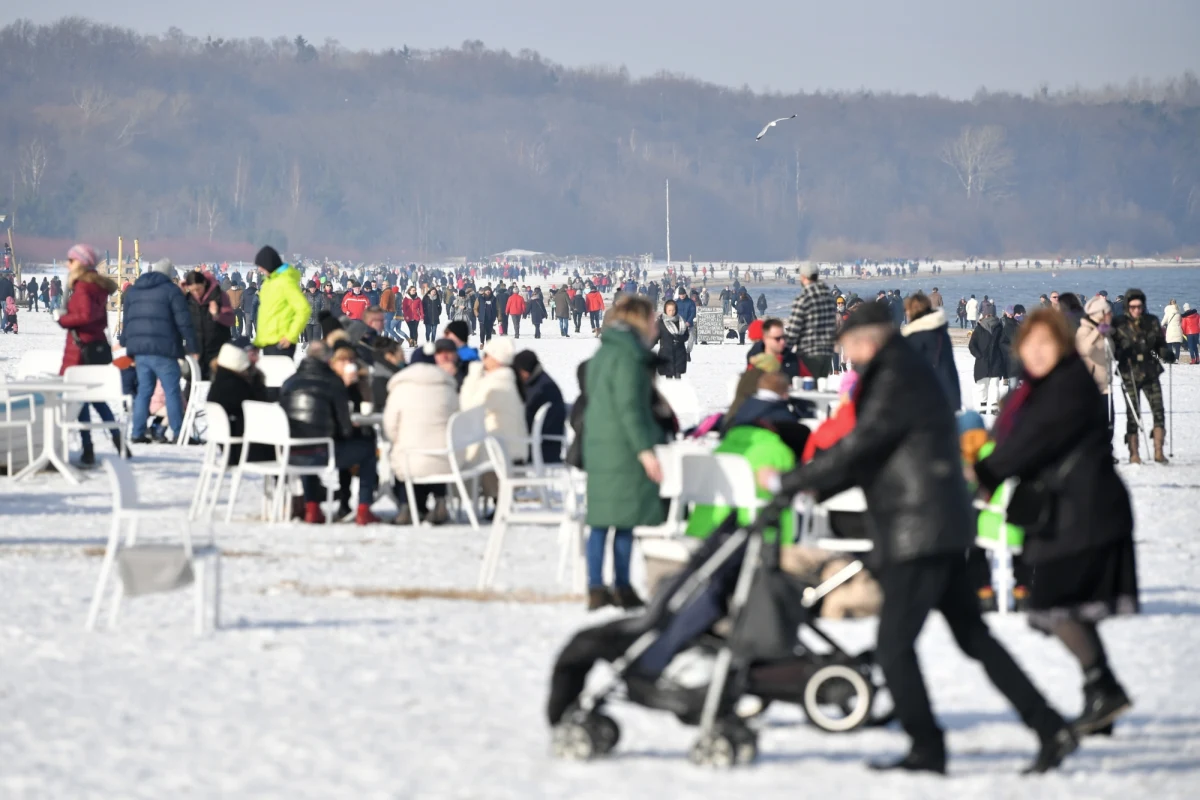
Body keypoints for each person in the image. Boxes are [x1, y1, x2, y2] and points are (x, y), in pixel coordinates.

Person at [760, 301, 1077, 775]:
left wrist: (791, 481)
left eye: (848, 344)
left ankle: (927, 748)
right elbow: (873, 454)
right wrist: (814, 486)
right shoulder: (901, 368)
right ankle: (1050, 725)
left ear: (867, 338)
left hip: (920, 528)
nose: (847, 353)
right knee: (973, 637)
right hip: (935, 522)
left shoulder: (894, 375)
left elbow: (862, 444)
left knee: (893, 646)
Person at [976, 309, 1138, 739]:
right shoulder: (1037, 389)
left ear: (1062, 347)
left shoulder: (1067, 386)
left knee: (1053, 602)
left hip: (1085, 511)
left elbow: (1033, 441)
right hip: (1069, 511)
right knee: (1071, 606)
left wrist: (986, 475)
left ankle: (1102, 689)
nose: (1037, 352)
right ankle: (1102, 694)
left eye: (1047, 344)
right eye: (1030, 345)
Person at [582, 295, 666, 611]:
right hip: (623, 448)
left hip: (600, 445)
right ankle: (622, 585)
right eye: (653, 319)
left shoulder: (605, 351)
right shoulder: (630, 356)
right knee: (625, 519)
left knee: (602, 519)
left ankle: (596, 586)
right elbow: (630, 408)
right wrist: (645, 451)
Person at [279, 343, 380, 525]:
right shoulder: (333, 383)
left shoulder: (289, 382)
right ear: (328, 360)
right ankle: (364, 508)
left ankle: (312, 508)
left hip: (290, 454)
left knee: (306, 444)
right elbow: (345, 429)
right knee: (367, 449)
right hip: (322, 454)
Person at [54, 245, 123, 465]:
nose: (67, 264)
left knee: (80, 400)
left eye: (70, 260)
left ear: (80, 263)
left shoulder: (83, 286)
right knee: (95, 399)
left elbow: (84, 315)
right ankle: (117, 440)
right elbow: (98, 319)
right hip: (94, 346)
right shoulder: (96, 286)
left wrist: (62, 319)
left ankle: (88, 448)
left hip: (80, 350)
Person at [121, 258, 199, 444]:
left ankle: (138, 432)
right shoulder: (171, 291)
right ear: (169, 274)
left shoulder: (134, 291)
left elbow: (128, 320)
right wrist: (193, 347)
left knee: (144, 392)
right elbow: (184, 322)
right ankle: (180, 433)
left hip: (140, 351)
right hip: (165, 350)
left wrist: (126, 342)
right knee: (171, 391)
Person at [383, 339, 460, 524]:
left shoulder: (400, 388)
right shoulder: (448, 388)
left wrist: (397, 440)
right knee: (434, 450)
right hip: (445, 460)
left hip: (410, 460)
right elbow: (457, 421)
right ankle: (440, 501)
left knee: (405, 455)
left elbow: (390, 426)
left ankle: (406, 506)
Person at [1112, 288, 1174, 463]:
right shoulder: (1119, 323)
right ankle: (1134, 453)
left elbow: (1159, 344)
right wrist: (1120, 354)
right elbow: (1112, 347)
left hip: (1150, 371)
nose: (1136, 310)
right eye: (1133, 307)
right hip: (1129, 372)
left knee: (1158, 410)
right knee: (1133, 414)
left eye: (1139, 306)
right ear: (1127, 307)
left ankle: (1158, 451)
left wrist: (1166, 353)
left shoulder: (1152, 321)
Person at [460, 336, 527, 470]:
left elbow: (467, 409)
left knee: (461, 462)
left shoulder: (496, 384)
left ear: (496, 358)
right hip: (508, 448)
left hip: (498, 453)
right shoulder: (508, 380)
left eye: (486, 355)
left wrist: (473, 375)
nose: (483, 359)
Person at [206, 342, 271, 464]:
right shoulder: (238, 386)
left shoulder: (219, 382)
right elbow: (260, 408)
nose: (256, 359)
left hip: (231, 448)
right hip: (244, 449)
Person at [901, 292, 960, 409]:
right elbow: (949, 368)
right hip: (946, 392)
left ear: (913, 310)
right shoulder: (941, 331)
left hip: (923, 398)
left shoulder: (915, 336)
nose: (906, 313)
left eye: (907, 310)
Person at [251, 245, 310, 358]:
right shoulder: (268, 283)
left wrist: (290, 336)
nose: (259, 269)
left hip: (282, 343)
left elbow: (303, 309)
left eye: (261, 265)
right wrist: (258, 343)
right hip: (267, 343)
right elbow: (265, 316)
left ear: (269, 264)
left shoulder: (286, 282)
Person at [512, 350, 567, 465]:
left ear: (524, 371)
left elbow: (526, 421)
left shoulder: (541, 390)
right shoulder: (539, 382)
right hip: (547, 446)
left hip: (542, 448)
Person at [784, 263, 838, 378]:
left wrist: (783, 351)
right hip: (827, 353)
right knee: (819, 388)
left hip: (809, 354)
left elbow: (794, 330)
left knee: (807, 389)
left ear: (803, 277)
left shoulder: (804, 298)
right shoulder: (828, 297)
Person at [183, 270, 234, 380]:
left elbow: (230, 320)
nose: (196, 293)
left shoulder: (219, 296)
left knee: (217, 388)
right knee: (192, 388)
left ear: (204, 284)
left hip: (217, 351)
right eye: (192, 290)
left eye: (198, 289)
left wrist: (217, 314)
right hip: (197, 352)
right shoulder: (188, 299)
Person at [968, 305, 1006, 414]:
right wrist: (979, 355)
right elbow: (972, 345)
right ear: (984, 315)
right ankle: (983, 408)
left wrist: (1001, 357)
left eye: (991, 314)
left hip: (995, 361)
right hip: (982, 362)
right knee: (982, 386)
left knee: (994, 386)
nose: (989, 316)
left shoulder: (999, 327)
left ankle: (994, 408)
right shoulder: (979, 327)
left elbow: (1001, 344)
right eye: (987, 314)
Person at [653, 299, 689, 379]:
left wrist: (680, 339)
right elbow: (655, 337)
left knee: (678, 377)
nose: (671, 312)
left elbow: (686, 335)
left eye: (673, 310)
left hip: (679, 353)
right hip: (666, 353)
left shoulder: (681, 321)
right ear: (665, 310)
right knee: (668, 377)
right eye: (669, 310)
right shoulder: (660, 322)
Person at [370, 337, 405, 403]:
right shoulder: (381, 381)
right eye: (401, 356)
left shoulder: (393, 375)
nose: (404, 359)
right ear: (389, 356)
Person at [674, 287, 697, 353]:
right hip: (679, 324)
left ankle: (688, 352)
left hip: (689, 324)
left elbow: (693, 313)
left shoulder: (690, 302)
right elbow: (674, 313)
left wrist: (688, 322)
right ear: (679, 295)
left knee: (691, 338)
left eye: (683, 294)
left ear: (685, 294)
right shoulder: (676, 303)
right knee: (679, 339)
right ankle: (681, 352)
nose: (682, 296)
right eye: (680, 294)